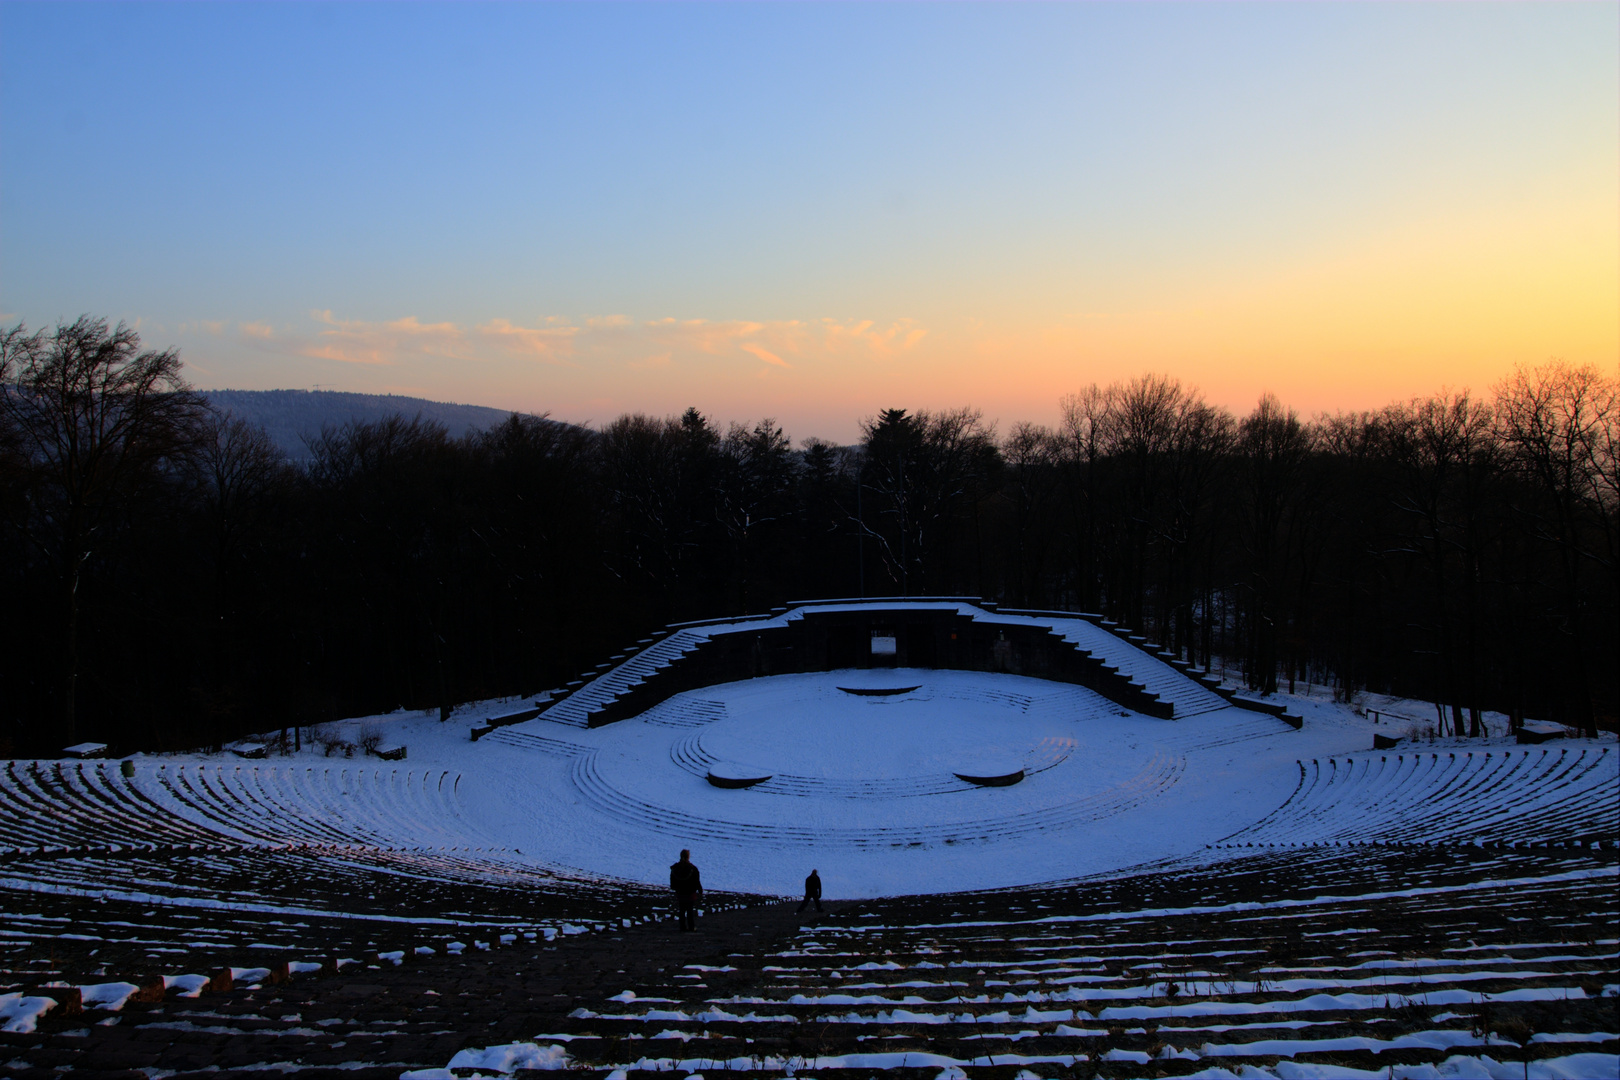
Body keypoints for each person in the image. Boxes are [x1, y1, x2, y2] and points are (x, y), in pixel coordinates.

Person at [669, 849, 702, 931]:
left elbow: (672, 883)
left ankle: (682, 927)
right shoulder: (693, 868)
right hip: (690, 892)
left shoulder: (675, 868)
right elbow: (697, 881)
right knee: (690, 910)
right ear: (688, 856)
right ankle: (691, 927)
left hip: (680, 892)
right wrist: (699, 890)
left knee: (682, 909)